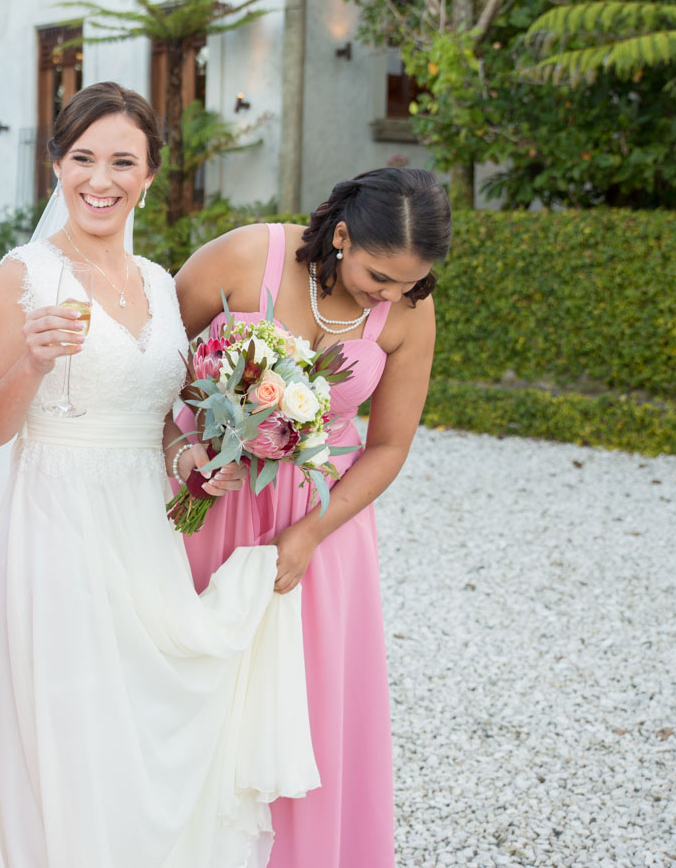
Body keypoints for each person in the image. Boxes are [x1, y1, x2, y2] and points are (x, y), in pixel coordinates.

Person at [0, 82, 319, 868]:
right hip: (55, 534)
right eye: (81, 159)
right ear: (55, 167)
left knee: (138, 730)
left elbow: (158, 428)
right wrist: (33, 364)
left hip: (143, 533)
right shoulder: (25, 275)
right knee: (71, 741)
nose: (98, 180)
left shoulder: (158, 281)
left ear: (149, 176)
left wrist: (194, 463)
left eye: (121, 162)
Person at [175, 167, 451, 868]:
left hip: (321, 531)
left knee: (308, 709)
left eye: (409, 283)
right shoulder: (244, 256)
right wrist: (183, 450)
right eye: (379, 275)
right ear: (341, 233)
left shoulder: (411, 312)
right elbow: (149, 358)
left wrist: (310, 534)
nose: (389, 294)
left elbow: (390, 445)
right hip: (214, 499)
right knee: (192, 690)